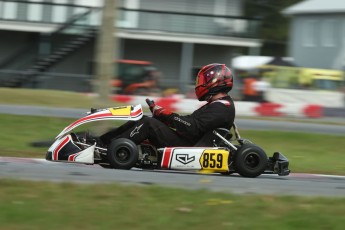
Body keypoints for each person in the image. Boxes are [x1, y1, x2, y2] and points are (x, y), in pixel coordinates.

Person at [100, 63, 236, 148]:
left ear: (215, 82)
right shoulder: (217, 104)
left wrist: (166, 115)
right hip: (189, 139)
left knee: (149, 123)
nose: (199, 84)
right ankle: (103, 141)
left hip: (191, 146)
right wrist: (163, 115)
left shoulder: (222, 107)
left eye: (203, 81)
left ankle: (112, 147)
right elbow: (190, 122)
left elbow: (192, 128)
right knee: (141, 119)